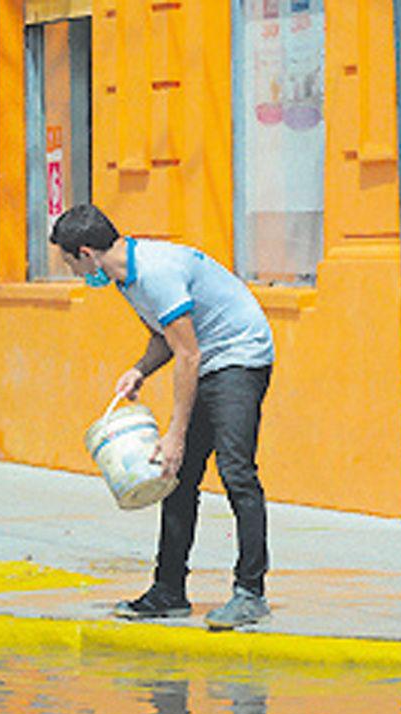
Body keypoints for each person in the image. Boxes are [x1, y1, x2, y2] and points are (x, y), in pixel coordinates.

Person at [49, 204, 275, 630]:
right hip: (208, 357)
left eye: (69, 263)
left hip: (240, 356)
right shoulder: (126, 278)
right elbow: (167, 338)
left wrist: (176, 432)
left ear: (86, 253)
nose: (74, 273)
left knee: (236, 471)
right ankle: (169, 591)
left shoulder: (154, 273)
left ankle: (250, 593)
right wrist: (140, 369)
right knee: (178, 476)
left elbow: (188, 355)